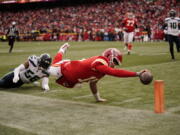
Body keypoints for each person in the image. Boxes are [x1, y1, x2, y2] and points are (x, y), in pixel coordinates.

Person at [49, 43, 147, 102]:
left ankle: (62, 51)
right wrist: (137, 74)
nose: (115, 65)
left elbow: (93, 83)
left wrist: (97, 98)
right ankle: (62, 50)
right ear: (109, 57)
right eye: (115, 61)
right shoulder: (100, 62)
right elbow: (115, 72)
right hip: (63, 69)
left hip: (71, 79)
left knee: (75, 85)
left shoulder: (102, 69)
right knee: (45, 70)